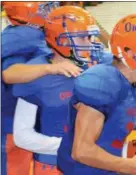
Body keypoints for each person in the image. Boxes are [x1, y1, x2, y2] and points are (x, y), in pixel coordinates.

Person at [57, 14, 136, 175]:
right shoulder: (102, 82)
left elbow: (111, 137)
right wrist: (130, 166)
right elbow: (81, 150)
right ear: (128, 52)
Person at [11, 6, 113, 175]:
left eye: (90, 37)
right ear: (62, 40)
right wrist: (74, 145)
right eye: (83, 38)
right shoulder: (34, 74)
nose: (90, 44)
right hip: (54, 165)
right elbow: (22, 136)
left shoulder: (100, 64)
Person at [1, 2, 82, 175]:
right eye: (44, 7)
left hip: (35, 115)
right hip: (13, 119)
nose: (50, 11)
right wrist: (50, 68)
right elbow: (9, 74)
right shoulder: (22, 35)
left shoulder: (30, 33)